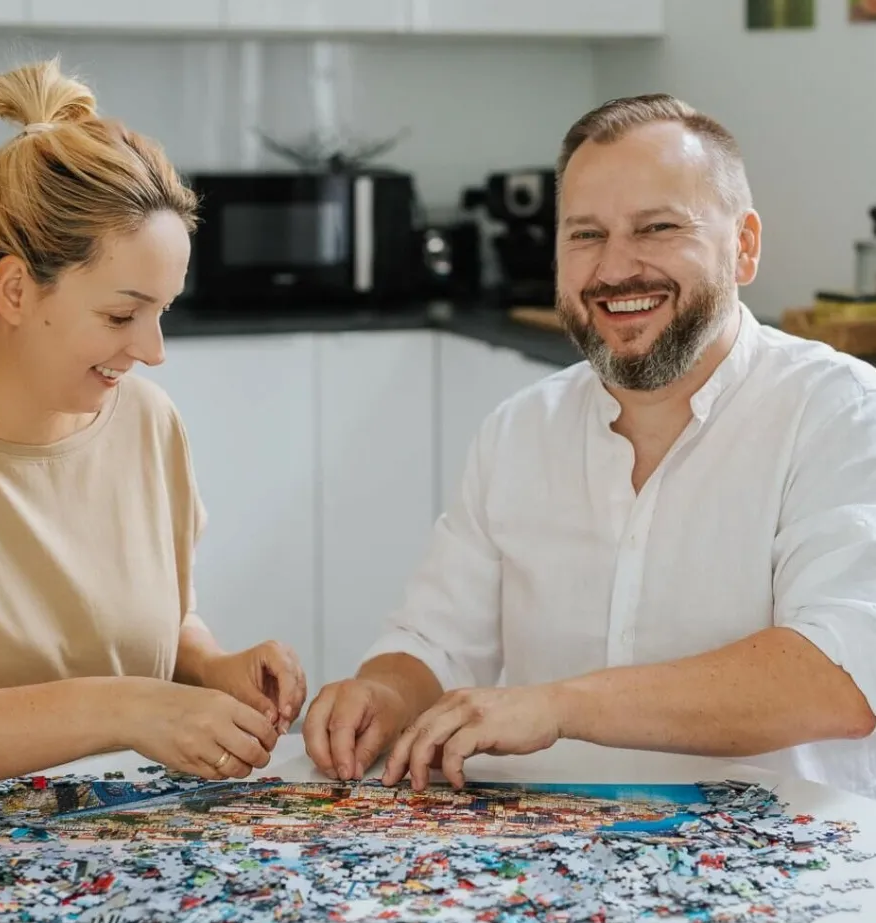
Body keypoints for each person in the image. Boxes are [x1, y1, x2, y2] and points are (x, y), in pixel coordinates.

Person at [303, 93, 876, 798]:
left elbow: (838, 679)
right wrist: (385, 694)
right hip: (546, 862)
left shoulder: (844, 412)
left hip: (791, 879)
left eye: (657, 227)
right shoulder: (519, 429)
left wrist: (557, 705)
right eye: (584, 235)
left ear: (745, 245)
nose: (613, 269)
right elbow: (436, 642)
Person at [0, 58, 308, 797]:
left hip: (126, 858)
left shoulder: (149, 425)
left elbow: (165, 617)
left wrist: (213, 668)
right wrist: (121, 707)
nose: (153, 351)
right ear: (18, 289)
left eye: (164, 311)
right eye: (122, 315)